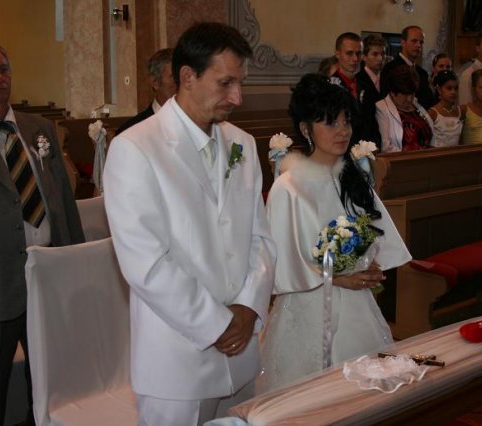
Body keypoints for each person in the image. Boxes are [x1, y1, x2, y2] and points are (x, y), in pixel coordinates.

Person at [102, 23, 275, 425]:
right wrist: (218, 324)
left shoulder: (243, 144)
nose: (237, 97)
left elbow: (260, 237)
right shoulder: (135, 148)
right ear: (187, 76)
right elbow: (145, 262)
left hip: (242, 353)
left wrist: (248, 307)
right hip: (178, 360)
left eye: (240, 83)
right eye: (225, 83)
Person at [257, 73, 411, 393]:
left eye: (346, 121)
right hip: (309, 305)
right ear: (305, 129)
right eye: (330, 123)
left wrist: (368, 263)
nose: (342, 130)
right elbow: (283, 259)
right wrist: (339, 278)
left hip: (357, 304)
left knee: (362, 392)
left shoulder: (352, 178)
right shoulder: (289, 186)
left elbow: (374, 231)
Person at [0, 41, 84, 425]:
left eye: (4, 69)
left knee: (52, 383)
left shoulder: (39, 128)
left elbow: (64, 202)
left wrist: (75, 261)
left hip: (49, 275)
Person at [116, 48, 176, 134]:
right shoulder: (130, 130)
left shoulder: (193, 123)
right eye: (174, 77)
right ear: (155, 82)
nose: (182, 82)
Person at [376, 64, 434, 152]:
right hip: (403, 159)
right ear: (393, 92)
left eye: (412, 93)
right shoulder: (382, 108)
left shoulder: (417, 104)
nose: (410, 98)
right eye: (405, 94)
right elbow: (386, 147)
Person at [381, 25, 436, 110]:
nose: (418, 45)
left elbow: (428, 102)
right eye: (414, 41)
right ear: (403, 42)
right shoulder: (390, 69)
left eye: (421, 42)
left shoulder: (422, 73)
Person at [356, 34, 387, 147]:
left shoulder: (387, 80)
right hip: (366, 140)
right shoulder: (358, 80)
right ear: (364, 57)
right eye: (375, 54)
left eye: (382, 54)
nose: (380, 59)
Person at [428, 70, 463, 148]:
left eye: (456, 88)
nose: (453, 92)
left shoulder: (460, 111)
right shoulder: (432, 113)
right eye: (449, 88)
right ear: (439, 89)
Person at [331, 32, 363, 99]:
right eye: (349, 53)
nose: (355, 59)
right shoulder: (330, 87)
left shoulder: (363, 83)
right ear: (337, 54)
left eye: (359, 53)